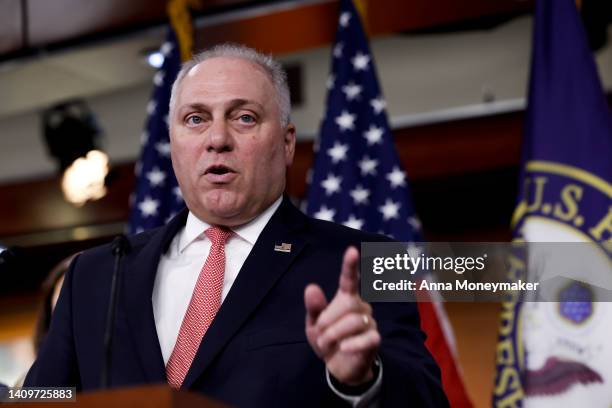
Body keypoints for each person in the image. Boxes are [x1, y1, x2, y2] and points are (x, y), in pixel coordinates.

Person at [25, 44, 447, 407]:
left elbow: (428, 400)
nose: (217, 138)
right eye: (196, 119)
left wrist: (363, 379)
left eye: (244, 117)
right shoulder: (96, 274)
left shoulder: (367, 259)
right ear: (173, 144)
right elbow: (50, 396)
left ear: (285, 144)